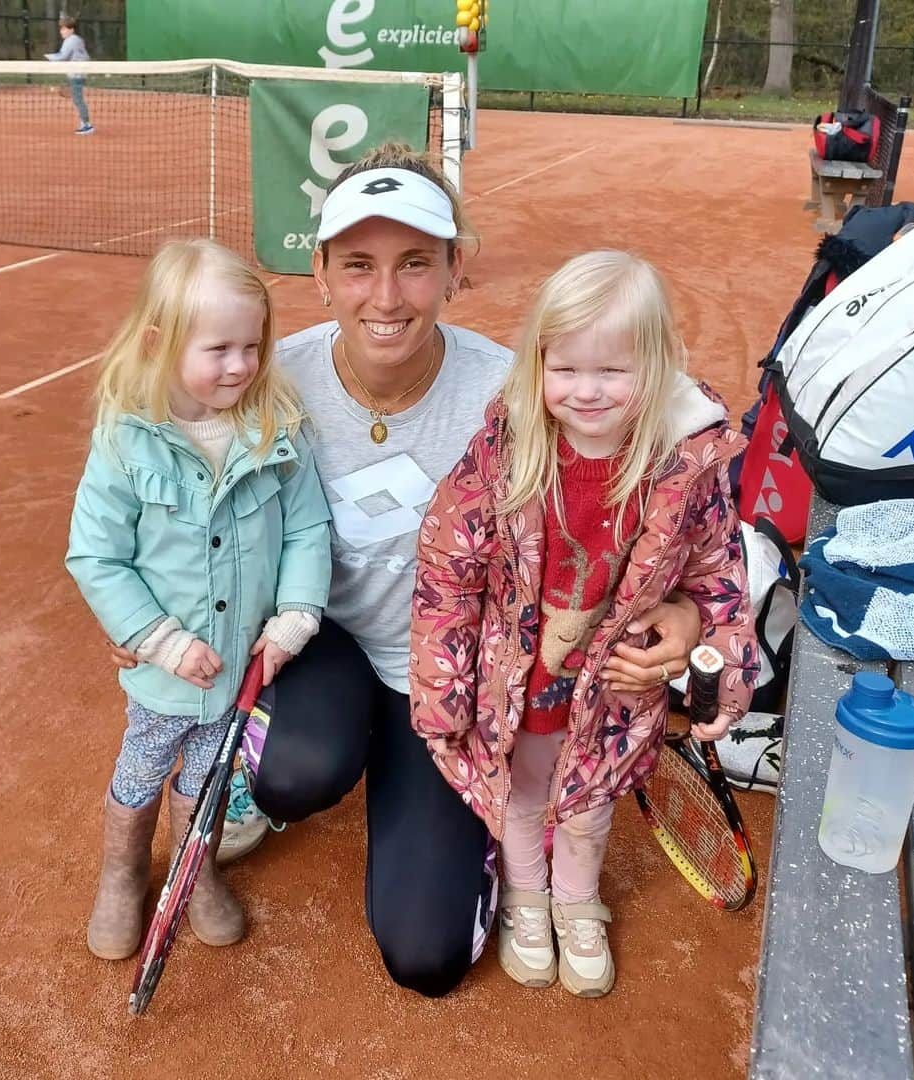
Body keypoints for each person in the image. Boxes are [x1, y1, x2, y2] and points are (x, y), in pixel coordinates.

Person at [109, 144, 705, 997]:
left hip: (456, 681)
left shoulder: (517, 394)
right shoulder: (265, 382)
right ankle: (268, 774)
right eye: (358, 265)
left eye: (415, 265)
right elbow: (165, 489)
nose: (385, 297)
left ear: (456, 269)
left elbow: (633, 518)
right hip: (322, 644)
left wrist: (680, 614)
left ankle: (464, 811)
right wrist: (145, 619)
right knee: (298, 770)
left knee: (425, 958)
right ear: (320, 272)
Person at [408, 250, 759, 997]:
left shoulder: (685, 464)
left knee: (591, 803)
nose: (588, 391)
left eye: (615, 371)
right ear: (538, 363)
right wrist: (443, 691)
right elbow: (446, 571)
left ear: (660, 366)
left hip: (618, 689)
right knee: (526, 794)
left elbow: (719, 575)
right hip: (519, 685)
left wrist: (713, 655)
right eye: (566, 369)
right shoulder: (504, 452)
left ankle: (576, 902)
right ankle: (528, 901)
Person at [66, 239, 331, 960]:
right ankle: (121, 876)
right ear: (160, 343)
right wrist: (160, 640)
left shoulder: (275, 423)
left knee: (212, 774)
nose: (242, 365)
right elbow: (96, 556)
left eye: (253, 345)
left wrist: (297, 615)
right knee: (143, 768)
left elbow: (308, 524)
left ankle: (195, 870)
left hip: (242, 669)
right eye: (219, 348)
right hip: (166, 673)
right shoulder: (126, 438)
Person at [45, 16, 94, 135]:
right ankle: (86, 123)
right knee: (78, 98)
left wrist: (48, 57)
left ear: (71, 30)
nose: (62, 31)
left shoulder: (71, 40)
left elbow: (62, 56)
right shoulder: (77, 39)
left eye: (64, 29)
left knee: (78, 99)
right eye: (61, 29)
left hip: (77, 73)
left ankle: (87, 125)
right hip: (79, 73)